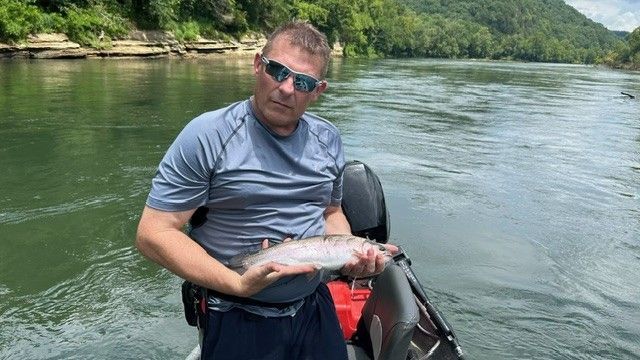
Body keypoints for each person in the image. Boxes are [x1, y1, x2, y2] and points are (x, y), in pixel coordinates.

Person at [135, 21, 393, 360]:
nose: (286, 88)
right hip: (234, 313)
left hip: (313, 307)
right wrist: (236, 283)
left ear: (318, 90)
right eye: (277, 71)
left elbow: (331, 213)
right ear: (259, 64)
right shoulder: (208, 136)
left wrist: (349, 258)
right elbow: (152, 233)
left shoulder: (328, 138)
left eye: (303, 82)